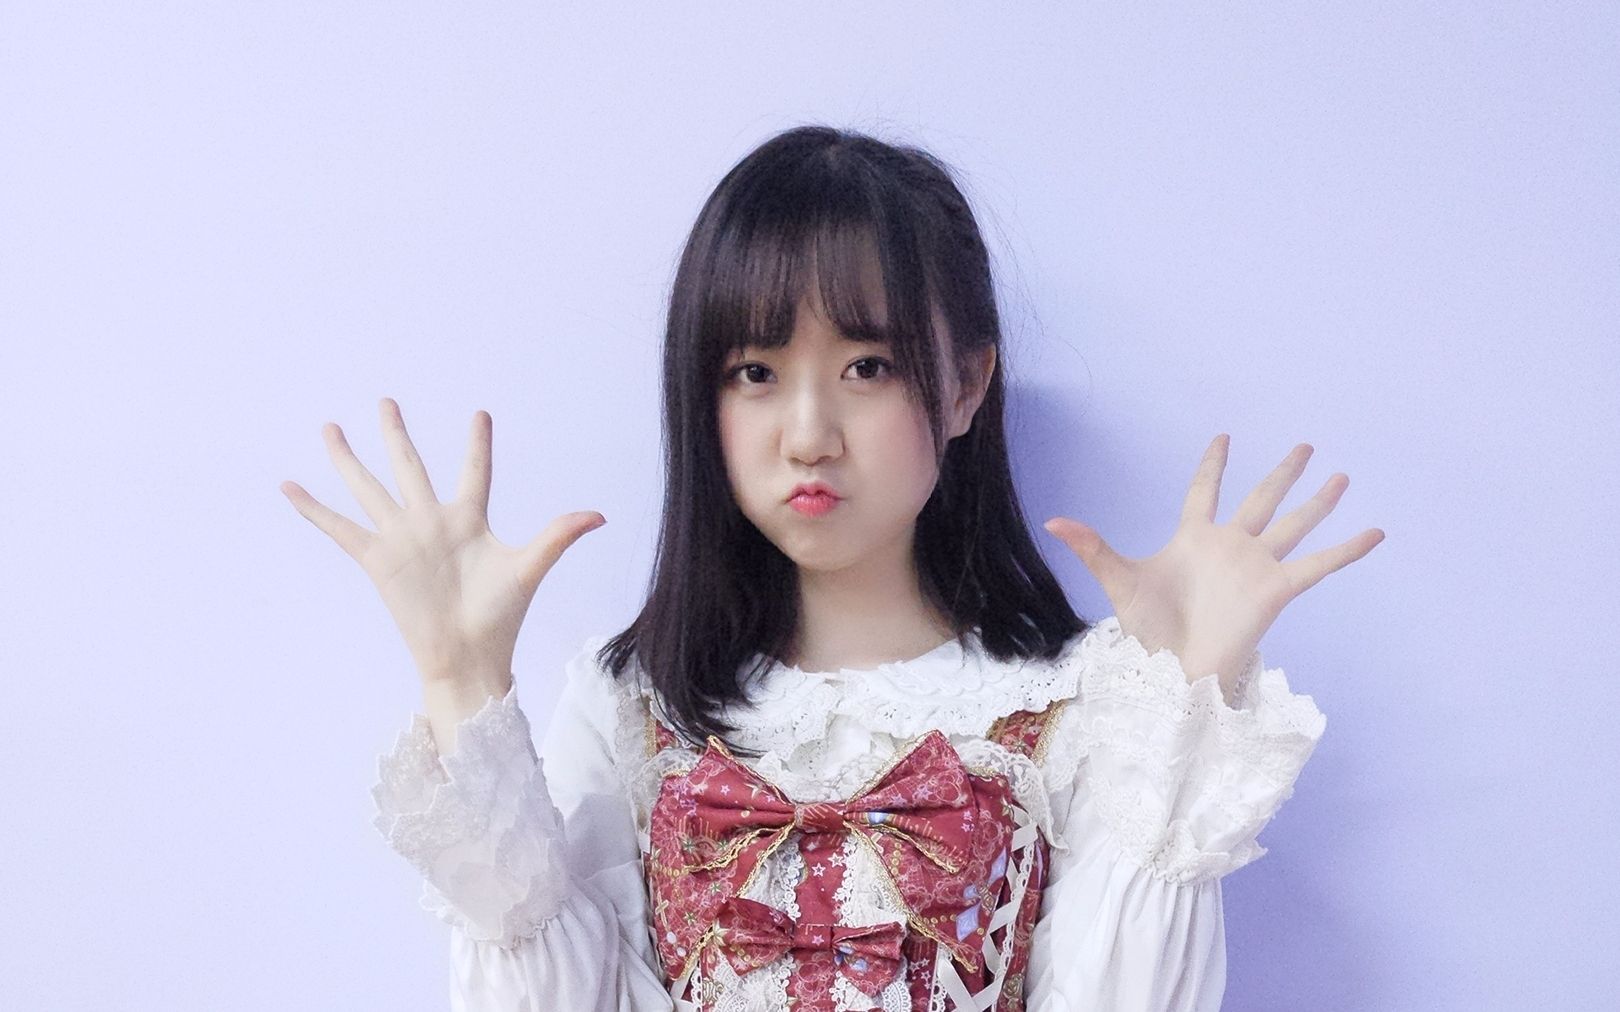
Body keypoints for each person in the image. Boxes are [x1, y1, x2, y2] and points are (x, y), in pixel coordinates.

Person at [282, 125, 1382, 1010]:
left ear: (966, 385)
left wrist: (1187, 692)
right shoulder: (628, 707)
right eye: (755, 372)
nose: (808, 434)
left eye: (867, 365)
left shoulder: (1080, 707)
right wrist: (459, 682)